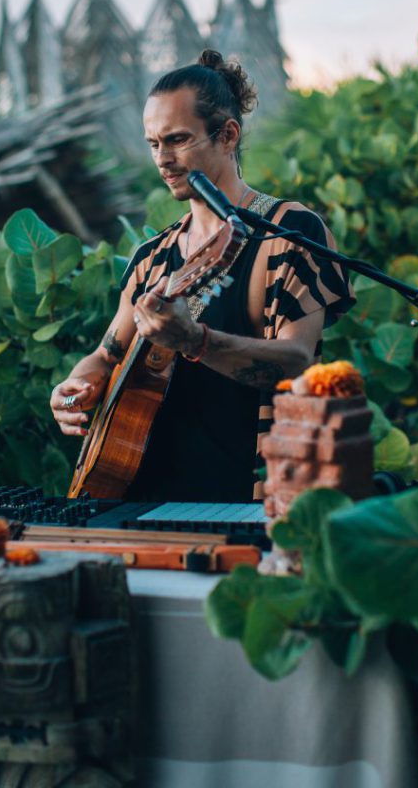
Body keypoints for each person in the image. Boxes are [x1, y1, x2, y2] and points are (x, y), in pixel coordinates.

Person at [50, 49, 355, 501]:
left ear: (228, 135)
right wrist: (75, 390)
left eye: (177, 140)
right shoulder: (152, 258)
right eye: (153, 143)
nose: (162, 158)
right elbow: (105, 355)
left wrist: (195, 340)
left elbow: (296, 362)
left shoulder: (289, 232)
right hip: (137, 500)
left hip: (246, 502)